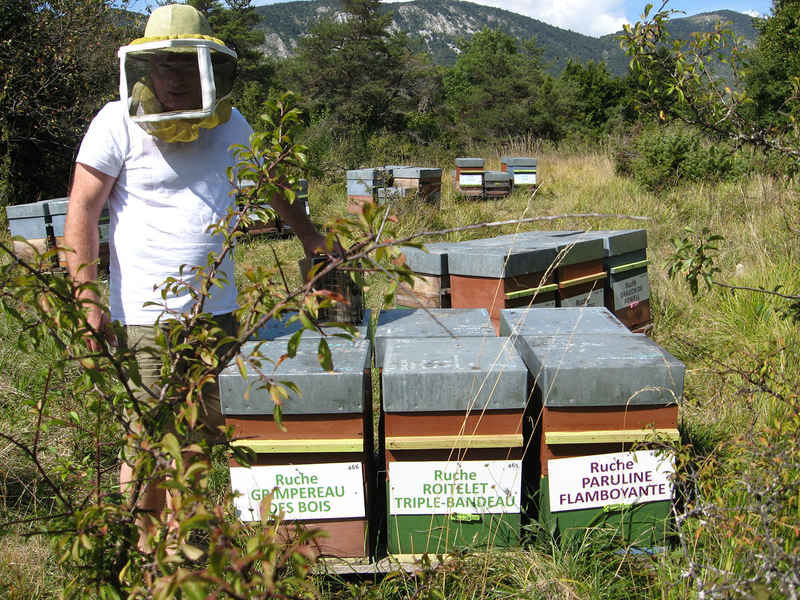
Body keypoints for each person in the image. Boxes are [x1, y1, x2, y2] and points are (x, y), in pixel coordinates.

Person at [63, 4, 326, 549]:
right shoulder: (114, 122)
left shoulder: (232, 122)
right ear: (145, 70)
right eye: (165, 66)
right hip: (144, 315)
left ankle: (191, 548)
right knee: (149, 438)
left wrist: (311, 236)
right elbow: (82, 210)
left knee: (203, 438)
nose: (176, 79)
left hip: (218, 312)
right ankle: (147, 551)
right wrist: (87, 299)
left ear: (210, 67)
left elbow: (272, 185)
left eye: (187, 65)